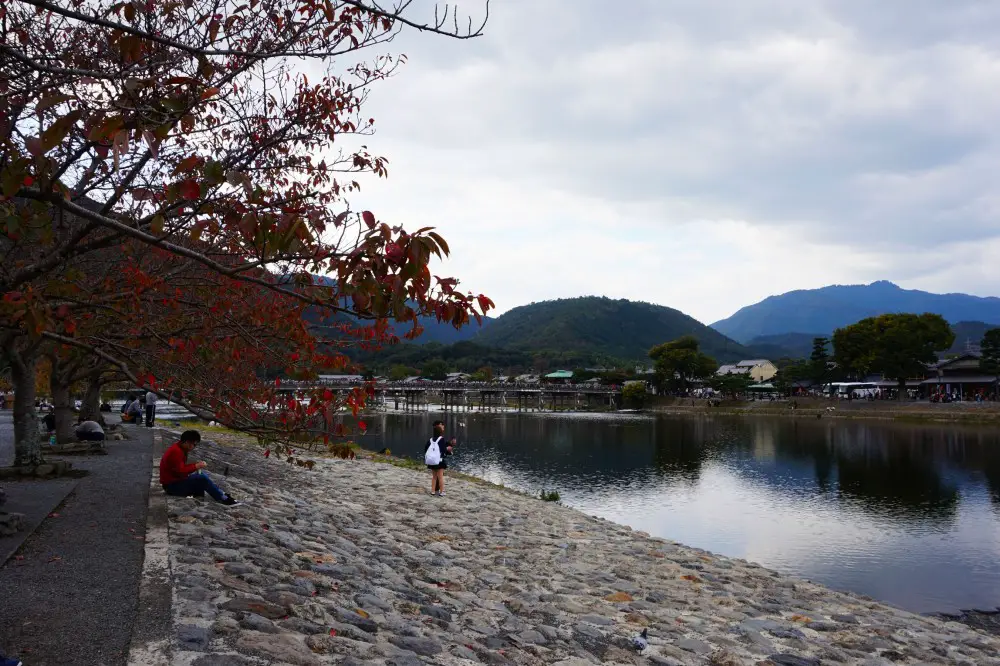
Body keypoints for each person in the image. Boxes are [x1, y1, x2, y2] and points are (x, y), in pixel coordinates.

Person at [160, 430, 240, 506]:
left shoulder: (179, 448)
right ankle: (223, 498)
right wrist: (196, 466)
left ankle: (219, 494)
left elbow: (179, 469)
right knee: (202, 478)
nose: (194, 447)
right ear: (188, 442)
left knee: (201, 476)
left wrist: (196, 466)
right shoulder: (176, 452)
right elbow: (180, 471)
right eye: (194, 444)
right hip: (171, 487)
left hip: (173, 483)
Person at [424, 420, 455, 497]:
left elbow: (426, 449)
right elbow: (443, 450)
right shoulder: (441, 439)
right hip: (439, 461)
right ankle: (441, 492)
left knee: (434, 477)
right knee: (440, 477)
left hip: (432, 461)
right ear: (441, 432)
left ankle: (433, 491)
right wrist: (448, 449)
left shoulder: (430, 440)